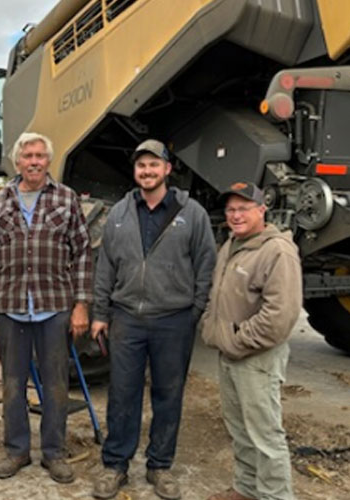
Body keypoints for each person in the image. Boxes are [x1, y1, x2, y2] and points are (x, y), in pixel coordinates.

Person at [91, 139, 216, 500]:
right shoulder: (119, 213)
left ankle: (160, 465)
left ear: (167, 169)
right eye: (141, 166)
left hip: (173, 320)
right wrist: (101, 313)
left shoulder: (190, 213)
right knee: (122, 394)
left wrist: (193, 311)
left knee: (168, 395)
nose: (147, 171)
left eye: (153, 165)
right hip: (127, 318)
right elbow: (105, 268)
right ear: (135, 172)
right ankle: (116, 465)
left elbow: (206, 264)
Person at [0, 132, 92, 484]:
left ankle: (54, 453)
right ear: (17, 161)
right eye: (28, 156)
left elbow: (83, 253)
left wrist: (81, 304)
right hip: (10, 307)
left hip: (54, 306)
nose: (35, 161)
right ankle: (17, 450)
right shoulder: (0, 201)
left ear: (48, 161)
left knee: (55, 384)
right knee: (12, 383)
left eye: (41, 155)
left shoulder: (66, 199)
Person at [200, 182, 302, 500]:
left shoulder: (277, 251)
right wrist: (211, 326)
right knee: (240, 429)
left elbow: (280, 316)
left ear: (262, 210)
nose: (236, 215)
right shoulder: (232, 244)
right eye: (231, 209)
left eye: (243, 208)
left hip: (256, 359)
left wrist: (236, 340)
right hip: (230, 354)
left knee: (265, 434)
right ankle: (246, 488)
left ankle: (275, 495)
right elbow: (215, 294)